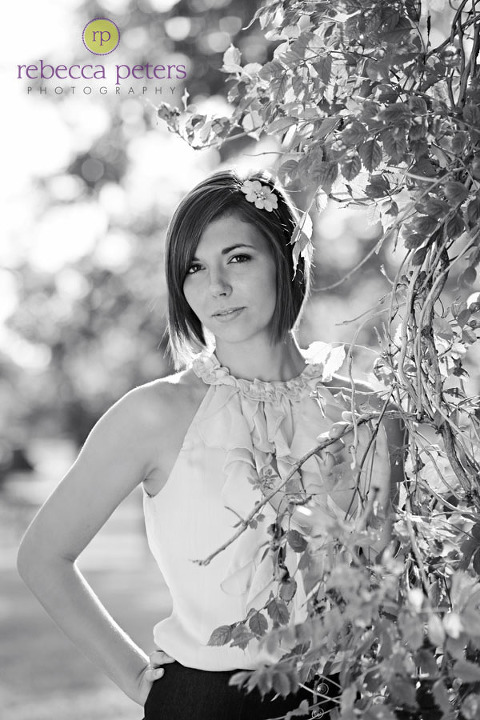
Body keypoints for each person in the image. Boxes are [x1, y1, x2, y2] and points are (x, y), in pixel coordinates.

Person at [17, 169, 403, 720]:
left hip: (351, 699)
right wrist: (136, 679)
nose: (215, 286)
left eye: (237, 258)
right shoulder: (153, 414)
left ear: (289, 258)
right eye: (193, 268)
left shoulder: (371, 414)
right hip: (207, 703)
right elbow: (43, 556)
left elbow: (386, 574)